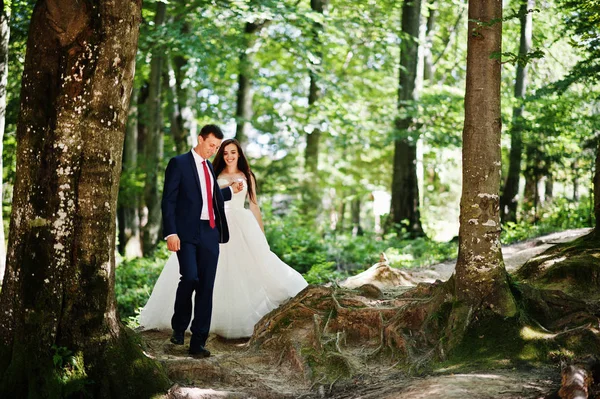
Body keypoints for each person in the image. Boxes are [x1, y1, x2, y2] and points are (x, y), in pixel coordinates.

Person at [140, 139, 308, 342]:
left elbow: (254, 206)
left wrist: (261, 235)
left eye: (233, 153)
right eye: (226, 153)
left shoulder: (248, 176)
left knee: (248, 267)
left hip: (241, 224)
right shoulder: (213, 173)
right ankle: (193, 324)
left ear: (239, 155)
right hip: (214, 225)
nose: (229, 156)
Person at [159, 124, 243, 359]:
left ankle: (198, 342)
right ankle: (179, 326)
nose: (213, 151)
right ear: (200, 139)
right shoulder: (179, 163)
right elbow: (169, 201)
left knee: (206, 286)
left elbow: (211, 197)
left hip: (210, 233)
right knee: (190, 277)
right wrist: (171, 233)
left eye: (217, 147)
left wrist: (231, 190)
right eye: (211, 145)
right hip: (185, 232)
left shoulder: (208, 167)